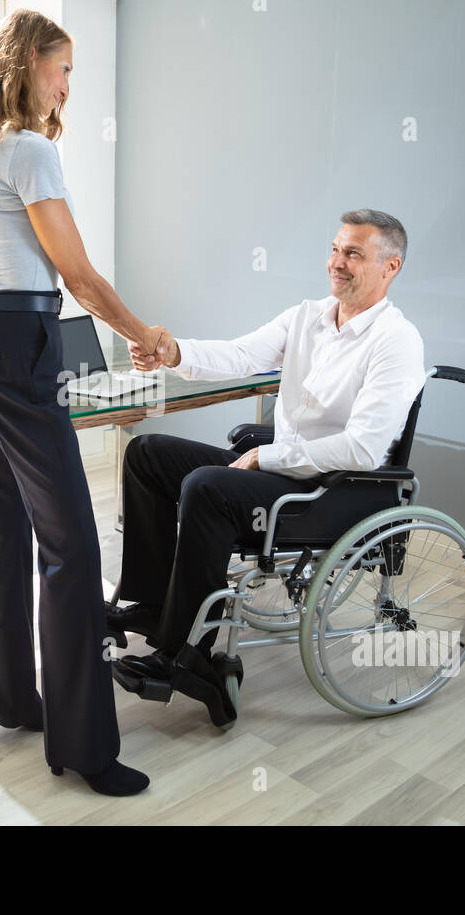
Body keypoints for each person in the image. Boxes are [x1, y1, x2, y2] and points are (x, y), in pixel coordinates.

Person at [0, 10, 164, 796]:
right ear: (28, 68)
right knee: (73, 546)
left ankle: (9, 698)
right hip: (21, 343)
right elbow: (78, 277)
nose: (66, 84)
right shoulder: (29, 151)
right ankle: (84, 748)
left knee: (3, 527)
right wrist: (140, 335)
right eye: (62, 68)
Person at [107, 209, 427, 724]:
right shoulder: (307, 316)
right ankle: (150, 606)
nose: (336, 263)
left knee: (208, 487)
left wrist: (270, 455)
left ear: (390, 267)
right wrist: (172, 351)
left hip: (332, 493)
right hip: (281, 475)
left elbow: (364, 451)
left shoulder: (397, 342)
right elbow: (240, 355)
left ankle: (187, 657)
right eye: (335, 249)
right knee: (147, 454)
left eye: (353, 254)